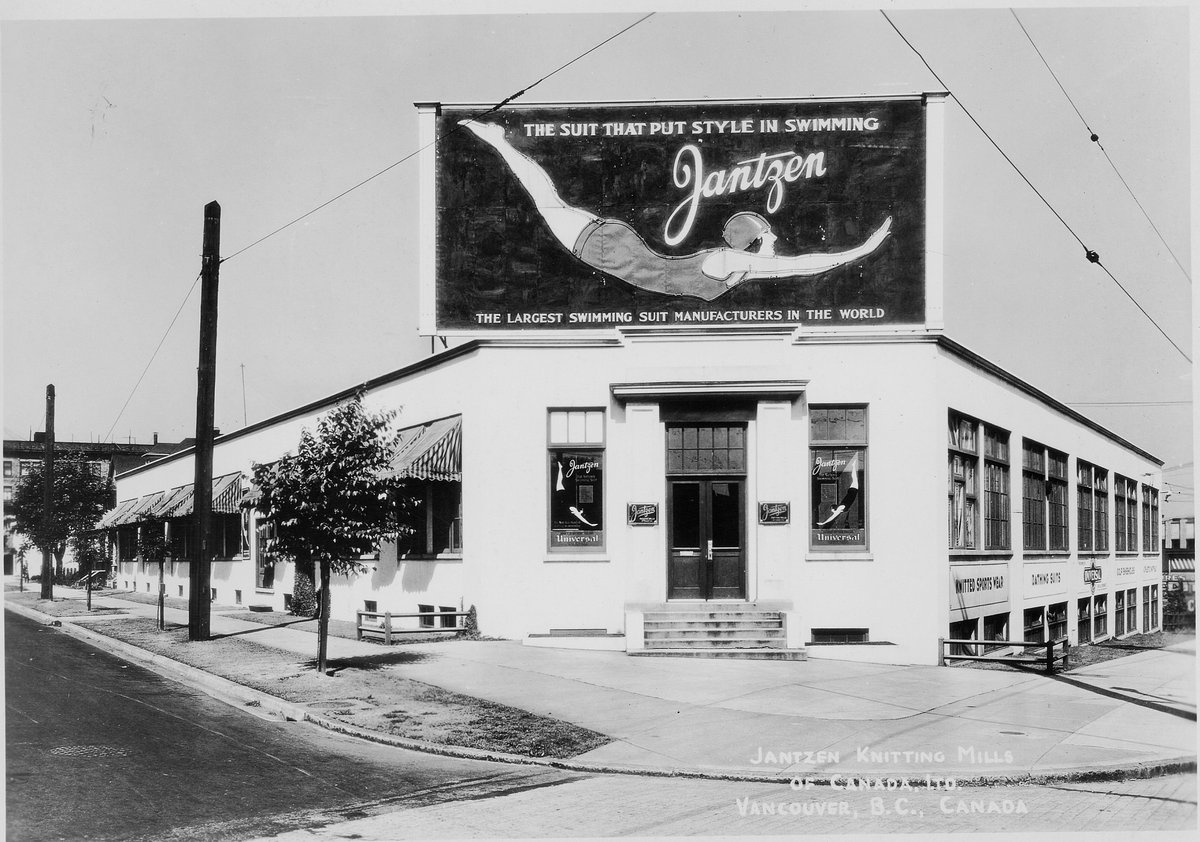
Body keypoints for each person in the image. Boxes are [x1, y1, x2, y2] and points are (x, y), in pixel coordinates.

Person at [459, 119, 893, 302]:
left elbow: (781, 266)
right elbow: (799, 266)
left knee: (550, 201)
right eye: (770, 237)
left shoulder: (741, 268)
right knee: (547, 201)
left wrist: (857, 251)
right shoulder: (727, 262)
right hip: (608, 250)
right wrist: (859, 250)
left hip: (617, 247)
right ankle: (498, 139)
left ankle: (499, 140)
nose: (777, 241)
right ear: (753, 242)